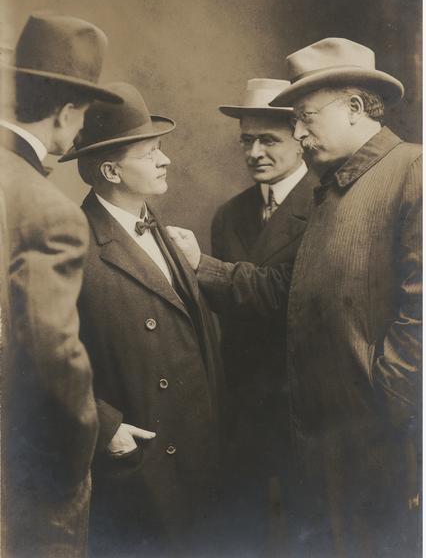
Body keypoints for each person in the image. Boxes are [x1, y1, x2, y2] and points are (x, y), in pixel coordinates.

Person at [168, 38, 422, 557]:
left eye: (305, 118)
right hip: (325, 438)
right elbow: (293, 290)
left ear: (355, 108)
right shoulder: (336, 185)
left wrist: (382, 399)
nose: (299, 134)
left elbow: (420, 318)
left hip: (372, 436)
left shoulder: (412, 171)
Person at [60, 82, 225, 557]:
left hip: (197, 453)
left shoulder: (165, 231)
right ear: (111, 169)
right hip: (143, 462)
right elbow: (36, 357)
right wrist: (105, 426)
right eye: (150, 152)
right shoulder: (75, 244)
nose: (165, 160)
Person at [0, 12, 123, 558]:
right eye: (83, 118)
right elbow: (55, 355)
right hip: (25, 476)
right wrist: (78, 458)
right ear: (68, 111)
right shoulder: (50, 210)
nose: (79, 132)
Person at [211, 78, 317, 554]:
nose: (254, 152)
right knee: (240, 528)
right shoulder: (229, 215)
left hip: (306, 402)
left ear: (300, 136)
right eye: (246, 141)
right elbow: (224, 311)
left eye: (267, 140)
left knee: (308, 529)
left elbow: (292, 297)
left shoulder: (327, 205)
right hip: (243, 401)